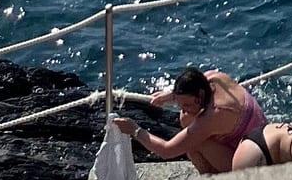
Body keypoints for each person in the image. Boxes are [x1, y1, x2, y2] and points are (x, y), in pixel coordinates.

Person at [116, 67, 276, 172]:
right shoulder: (214, 78)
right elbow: (196, 84)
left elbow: (167, 150)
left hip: (257, 160)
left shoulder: (214, 115)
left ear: (200, 96)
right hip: (257, 136)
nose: (183, 108)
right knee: (186, 118)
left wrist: (135, 130)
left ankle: (212, 177)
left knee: (195, 142)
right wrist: (171, 95)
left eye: (186, 104)